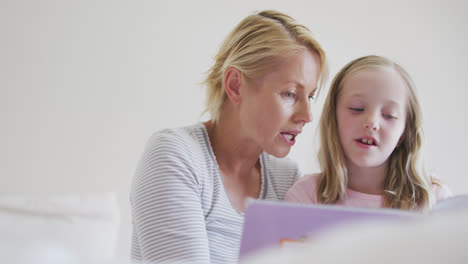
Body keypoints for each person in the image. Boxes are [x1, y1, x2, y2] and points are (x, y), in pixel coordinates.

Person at [130, 10, 328, 264]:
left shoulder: (286, 178)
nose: (307, 115)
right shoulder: (175, 156)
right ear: (235, 85)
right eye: (290, 94)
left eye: (309, 96)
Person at [285, 55, 451, 211]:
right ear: (333, 118)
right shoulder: (304, 198)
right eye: (357, 109)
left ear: (404, 132)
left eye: (389, 115)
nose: (371, 123)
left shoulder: (435, 200)